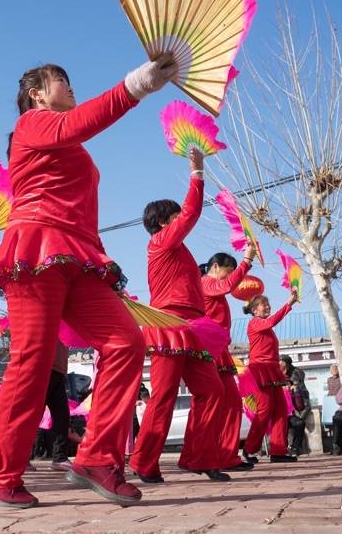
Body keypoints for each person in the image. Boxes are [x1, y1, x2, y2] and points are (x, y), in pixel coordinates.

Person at [0, 56, 177, 508]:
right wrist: (138, 83)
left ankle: (98, 459)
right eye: (61, 82)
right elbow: (81, 123)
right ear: (36, 93)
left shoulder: (70, 140)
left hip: (79, 255)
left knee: (127, 342)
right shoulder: (33, 124)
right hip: (35, 250)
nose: (70, 88)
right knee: (32, 362)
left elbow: (79, 136)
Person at [131, 150, 229, 484]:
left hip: (193, 327)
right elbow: (191, 214)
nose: (181, 219)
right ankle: (144, 462)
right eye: (175, 216)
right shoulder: (160, 242)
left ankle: (198, 457)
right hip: (168, 324)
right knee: (163, 396)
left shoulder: (179, 249)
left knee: (213, 391)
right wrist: (197, 173)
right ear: (163, 222)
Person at [200, 244, 257, 471]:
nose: (231, 276)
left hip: (219, 349)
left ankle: (227, 455)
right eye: (228, 270)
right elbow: (228, 285)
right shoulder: (206, 283)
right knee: (213, 404)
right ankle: (208, 456)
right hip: (207, 348)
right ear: (215, 267)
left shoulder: (215, 286)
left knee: (232, 402)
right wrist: (246, 260)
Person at [242, 291, 299, 463]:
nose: (267, 307)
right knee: (264, 411)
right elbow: (273, 320)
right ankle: (249, 450)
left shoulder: (265, 326)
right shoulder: (255, 323)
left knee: (281, 410)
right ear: (254, 310)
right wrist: (289, 303)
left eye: (268, 304)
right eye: (264, 305)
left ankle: (278, 451)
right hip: (259, 369)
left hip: (271, 369)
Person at [42, 342, 73, 471]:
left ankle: (59, 457)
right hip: (43, 368)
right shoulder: (52, 323)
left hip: (59, 371)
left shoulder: (66, 326)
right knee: (33, 416)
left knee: (62, 416)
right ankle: (20, 457)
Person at [280, 358, 309, 456]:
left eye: (287, 384)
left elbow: (300, 406)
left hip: (291, 415)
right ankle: (282, 448)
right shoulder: (277, 391)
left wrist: (296, 392)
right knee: (281, 425)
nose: (286, 386)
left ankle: (296, 447)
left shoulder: (294, 388)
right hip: (279, 415)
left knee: (300, 423)